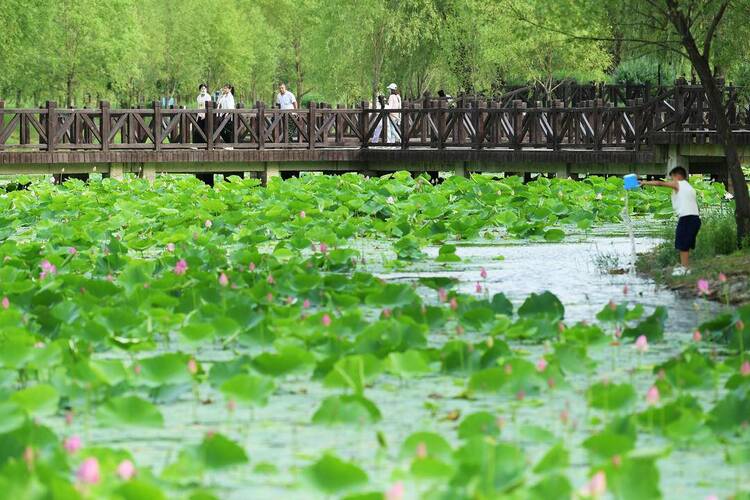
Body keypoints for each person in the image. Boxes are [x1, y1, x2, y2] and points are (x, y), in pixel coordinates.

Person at [641, 166, 701, 275]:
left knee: (682, 244)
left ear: (678, 176)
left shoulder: (679, 184)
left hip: (686, 218)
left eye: (672, 177)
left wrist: (645, 182)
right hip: (695, 218)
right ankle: (685, 267)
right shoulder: (689, 187)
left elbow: (660, 184)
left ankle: (685, 268)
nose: (671, 180)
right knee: (686, 244)